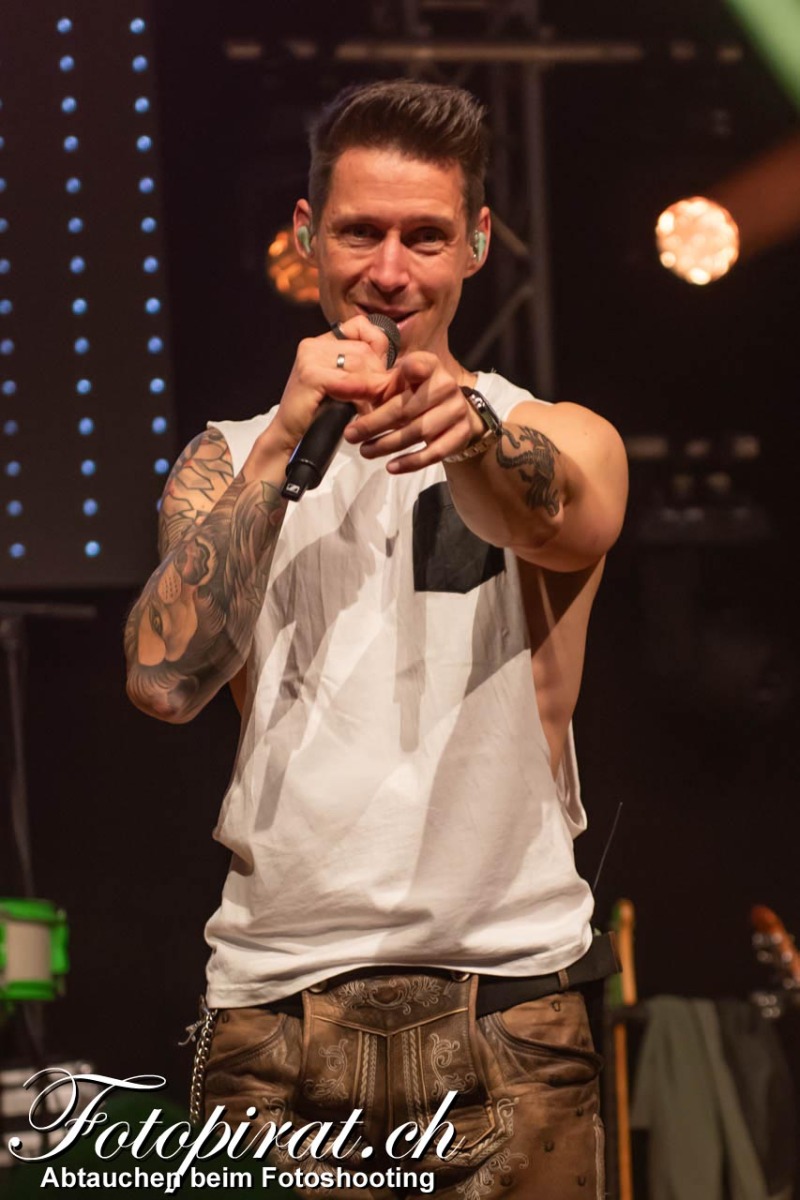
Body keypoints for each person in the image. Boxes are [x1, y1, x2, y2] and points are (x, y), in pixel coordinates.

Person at [124, 79, 628, 1199]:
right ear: (307, 237)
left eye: (425, 236)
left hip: (507, 1006)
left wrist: (472, 435)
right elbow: (163, 682)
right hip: (275, 1012)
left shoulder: (555, 433)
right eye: (360, 232)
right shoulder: (228, 458)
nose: (390, 271)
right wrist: (281, 446)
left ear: (478, 243)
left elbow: (557, 518)